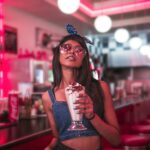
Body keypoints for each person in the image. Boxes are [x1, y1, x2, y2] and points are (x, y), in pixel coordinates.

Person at [42, 24, 120, 150]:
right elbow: (56, 137)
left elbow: (116, 140)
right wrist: (49, 148)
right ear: (58, 54)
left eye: (78, 50)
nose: (72, 51)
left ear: (84, 58)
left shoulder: (100, 87)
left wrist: (92, 116)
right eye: (66, 47)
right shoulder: (48, 97)